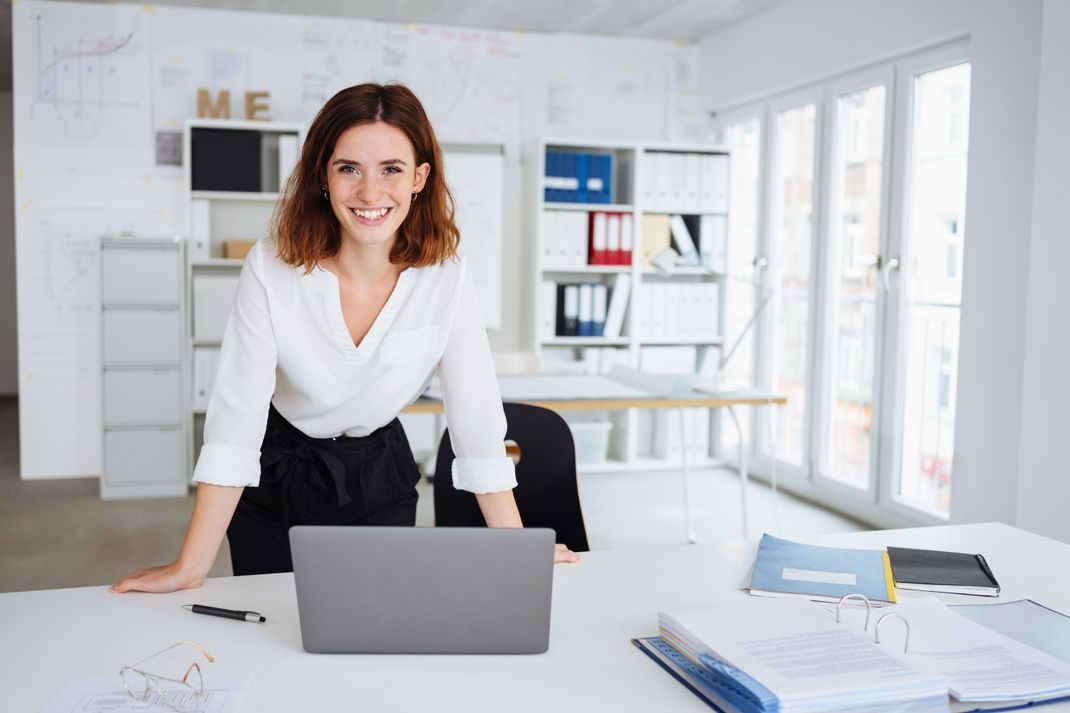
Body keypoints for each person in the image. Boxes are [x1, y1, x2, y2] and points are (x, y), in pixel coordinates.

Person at [111, 83, 579, 594]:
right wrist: (191, 565)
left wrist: (514, 545)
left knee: (373, 625)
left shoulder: (447, 273)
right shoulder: (271, 266)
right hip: (280, 470)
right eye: (349, 168)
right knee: (273, 622)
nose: (370, 193)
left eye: (391, 170)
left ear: (420, 177)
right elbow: (236, 417)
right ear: (323, 176)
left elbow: (476, 413)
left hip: (380, 472)